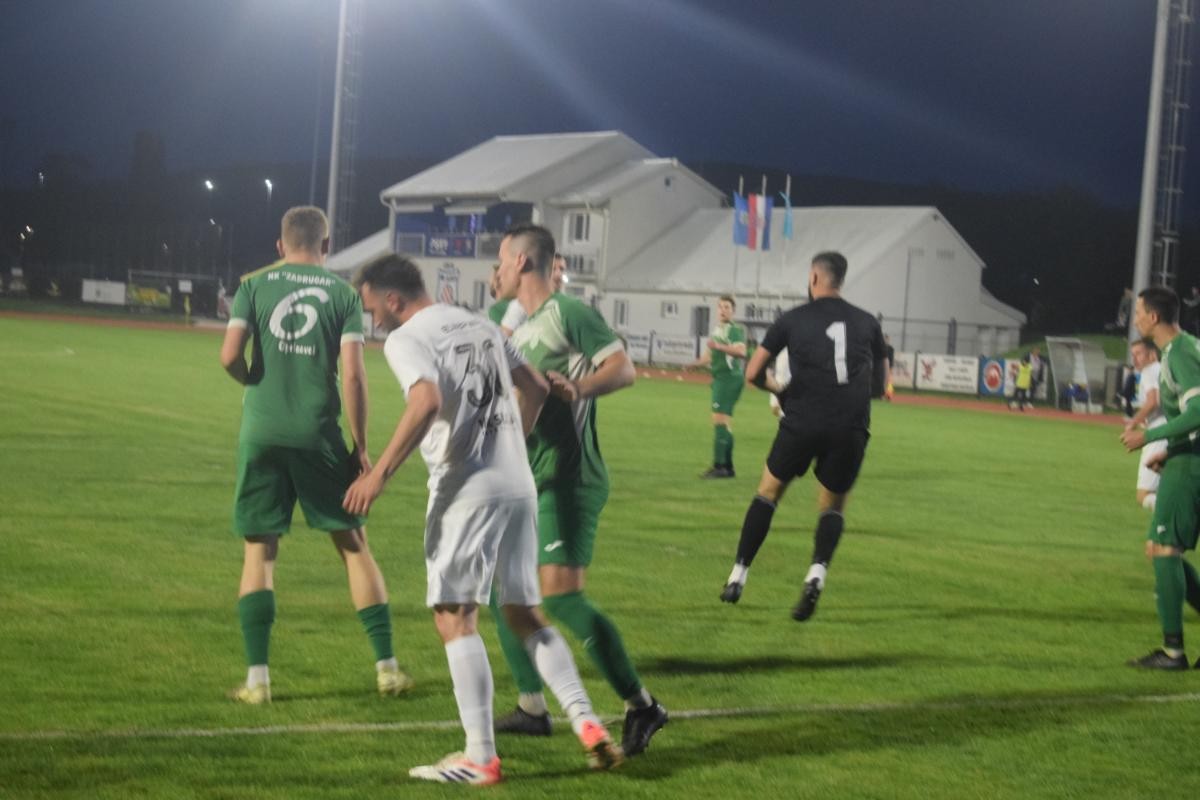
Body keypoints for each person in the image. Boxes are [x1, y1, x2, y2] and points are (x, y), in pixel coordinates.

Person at [345, 255, 621, 785]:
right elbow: (535, 385)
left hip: (466, 489)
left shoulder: (407, 338)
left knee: (454, 616)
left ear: (393, 299)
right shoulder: (480, 323)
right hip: (517, 483)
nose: (374, 320)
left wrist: (378, 475)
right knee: (525, 614)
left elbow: (425, 400)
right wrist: (509, 441)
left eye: (373, 308)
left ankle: (480, 757)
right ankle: (587, 722)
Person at [218, 206, 411, 704]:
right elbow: (354, 376)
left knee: (260, 551)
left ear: (280, 245)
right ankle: (387, 669)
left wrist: (251, 380)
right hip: (317, 435)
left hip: (260, 433)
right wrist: (360, 446)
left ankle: (258, 681)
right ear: (326, 246)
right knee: (353, 545)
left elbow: (229, 356)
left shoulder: (252, 285)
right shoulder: (343, 295)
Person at [488, 223, 668, 757]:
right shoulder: (513, 323)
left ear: (523, 262)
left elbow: (624, 369)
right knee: (507, 592)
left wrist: (579, 387)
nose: (496, 269)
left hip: (569, 476)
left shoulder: (567, 313)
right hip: (530, 476)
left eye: (501, 259)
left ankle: (642, 704)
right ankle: (532, 706)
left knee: (562, 597)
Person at [719, 251, 887, 619]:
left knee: (768, 493)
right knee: (833, 506)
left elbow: (753, 373)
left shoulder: (792, 319)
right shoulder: (868, 323)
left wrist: (780, 390)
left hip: (802, 421)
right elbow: (880, 386)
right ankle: (816, 574)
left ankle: (738, 575)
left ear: (813, 277)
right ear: (841, 279)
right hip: (850, 427)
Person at [1119, 287, 1200, 670]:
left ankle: (1173, 653)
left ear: (1153, 318)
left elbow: (1198, 411)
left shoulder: (1179, 353)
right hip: (1184, 458)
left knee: (1164, 549)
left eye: (1138, 312)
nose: (1135, 318)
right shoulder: (1184, 348)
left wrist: (1151, 437)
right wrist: (1170, 451)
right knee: (1160, 548)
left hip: (1191, 467)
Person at [689, 295, 747, 478]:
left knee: (719, 422)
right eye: (720, 307)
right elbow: (708, 357)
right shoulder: (718, 330)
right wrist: (693, 364)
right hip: (721, 379)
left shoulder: (733, 329)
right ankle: (728, 467)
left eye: (727, 307)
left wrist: (719, 347)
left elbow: (741, 351)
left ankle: (719, 466)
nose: (723, 310)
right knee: (724, 423)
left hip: (728, 379)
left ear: (733, 311)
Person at [1126, 338, 1165, 511]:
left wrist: (1133, 422)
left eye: (1138, 353)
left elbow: (1153, 401)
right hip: (1170, 430)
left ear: (1152, 354)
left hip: (1158, 434)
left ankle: (1180, 516)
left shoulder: (1149, 371)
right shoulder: (1162, 369)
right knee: (1168, 489)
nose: (1134, 359)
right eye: (1132, 354)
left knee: (1144, 494)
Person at [489, 252, 567, 336]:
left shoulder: (565, 303)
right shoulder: (520, 304)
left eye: (561, 269)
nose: (558, 274)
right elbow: (503, 338)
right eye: (553, 269)